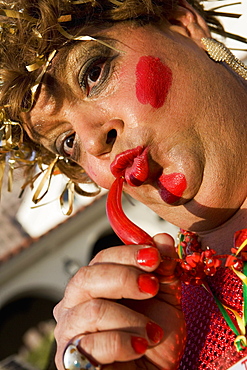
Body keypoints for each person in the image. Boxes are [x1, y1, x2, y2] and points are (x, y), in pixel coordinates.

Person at [1, 0, 247, 369]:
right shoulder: (163, 331)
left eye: (93, 73)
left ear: (183, 23)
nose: (92, 142)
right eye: (67, 142)